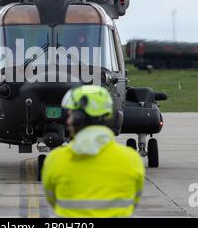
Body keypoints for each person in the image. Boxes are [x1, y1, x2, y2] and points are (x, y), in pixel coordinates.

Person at [42, 85, 145, 218]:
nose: (67, 121)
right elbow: (134, 201)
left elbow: (53, 200)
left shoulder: (55, 159)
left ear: (77, 119)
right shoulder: (131, 159)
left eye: (70, 115)